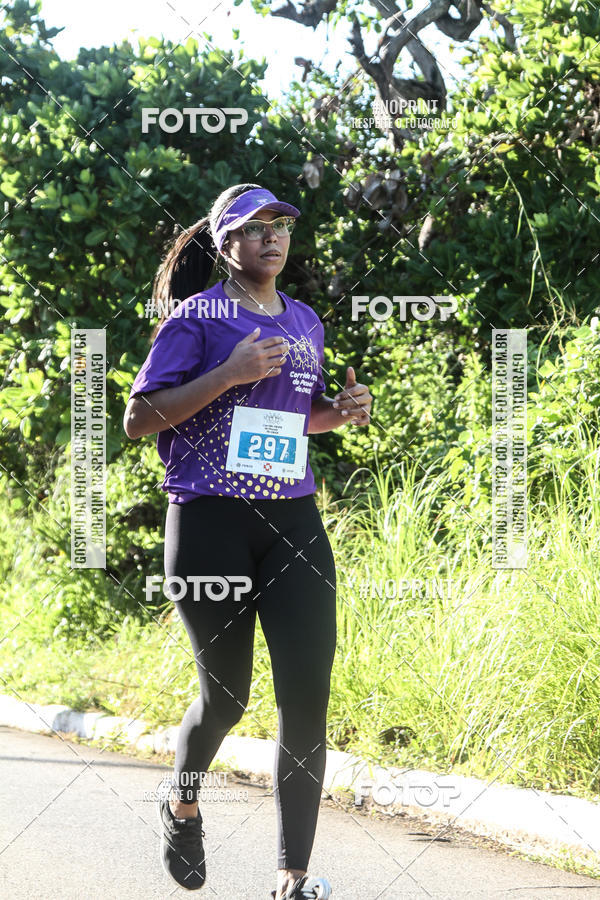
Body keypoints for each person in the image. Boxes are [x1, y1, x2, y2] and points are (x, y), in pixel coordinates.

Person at [123, 183, 372, 899]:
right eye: (255, 227)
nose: (273, 237)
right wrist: (228, 373)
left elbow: (297, 418)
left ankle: (293, 877)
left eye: (282, 226)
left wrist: (339, 411)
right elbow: (140, 420)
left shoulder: (306, 323)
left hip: (293, 523)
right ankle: (183, 799)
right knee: (227, 698)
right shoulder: (196, 321)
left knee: (306, 697)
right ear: (224, 244)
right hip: (209, 524)